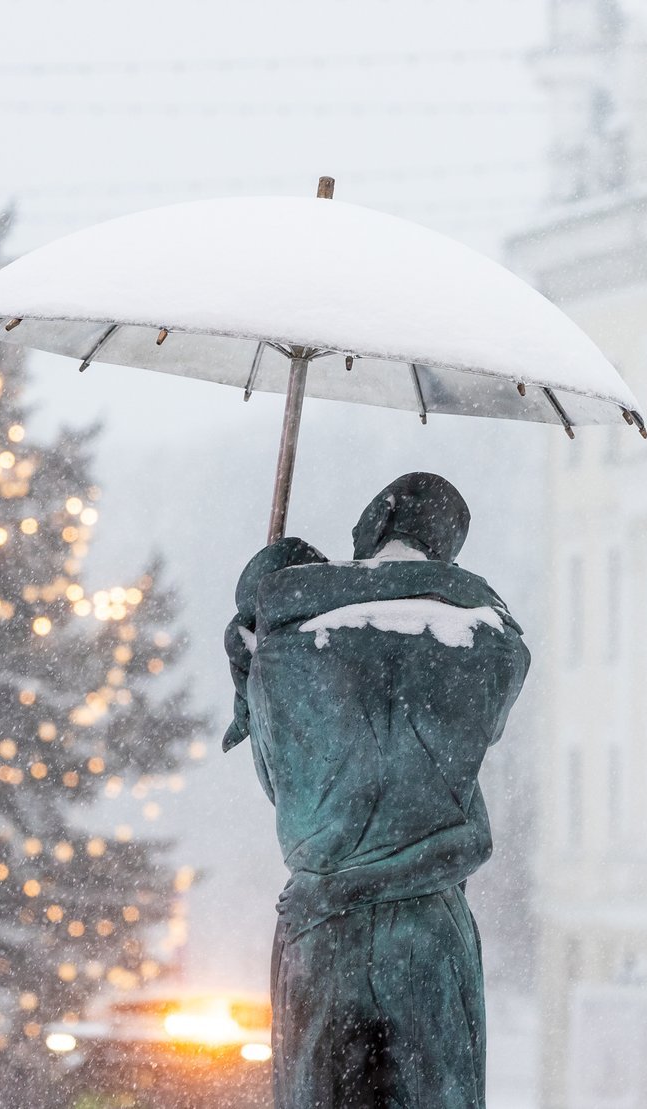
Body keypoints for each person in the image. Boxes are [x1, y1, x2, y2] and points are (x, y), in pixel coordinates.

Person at [223, 472, 529, 1109]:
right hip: (426, 927)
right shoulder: (487, 641)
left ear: (375, 520)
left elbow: (282, 789)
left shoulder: (291, 633)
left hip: (320, 925)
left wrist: (259, 646)